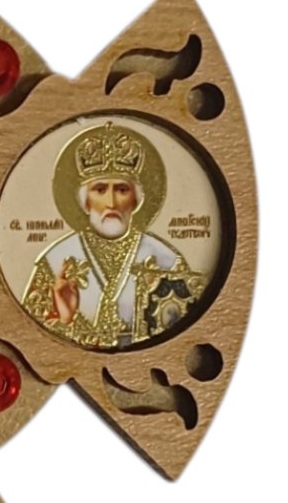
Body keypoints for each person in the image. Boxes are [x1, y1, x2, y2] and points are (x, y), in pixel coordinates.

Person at [22, 121, 202, 348]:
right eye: (100, 190)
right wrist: (67, 319)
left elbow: (185, 334)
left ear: (136, 200)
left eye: (122, 189)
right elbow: (29, 338)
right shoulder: (55, 262)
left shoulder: (167, 261)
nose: (111, 202)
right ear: (85, 201)